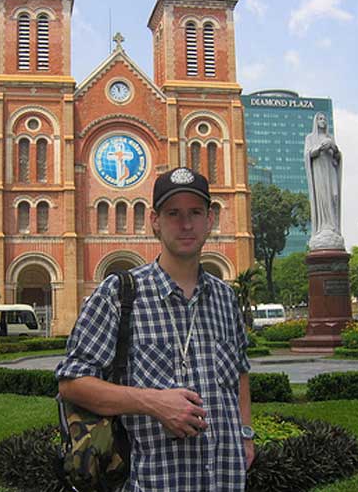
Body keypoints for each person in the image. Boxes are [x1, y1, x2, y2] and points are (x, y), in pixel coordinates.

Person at [56, 167, 254, 491]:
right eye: (173, 213)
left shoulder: (226, 297)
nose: (186, 224)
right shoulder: (118, 294)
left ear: (210, 220)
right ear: (155, 221)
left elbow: (240, 372)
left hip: (225, 479)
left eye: (195, 212)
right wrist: (153, 402)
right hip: (152, 481)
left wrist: (246, 435)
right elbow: (72, 384)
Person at [305, 112, 344, 250]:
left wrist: (333, 147)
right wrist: (320, 147)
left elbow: (338, 157)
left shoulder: (330, 138)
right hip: (319, 174)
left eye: (325, 119)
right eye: (320, 119)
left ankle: (333, 227)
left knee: (334, 196)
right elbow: (308, 154)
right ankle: (323, 227)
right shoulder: (310, 138)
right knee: (322, 197)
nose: (323, 121)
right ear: (316, 122)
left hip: (330, 172)